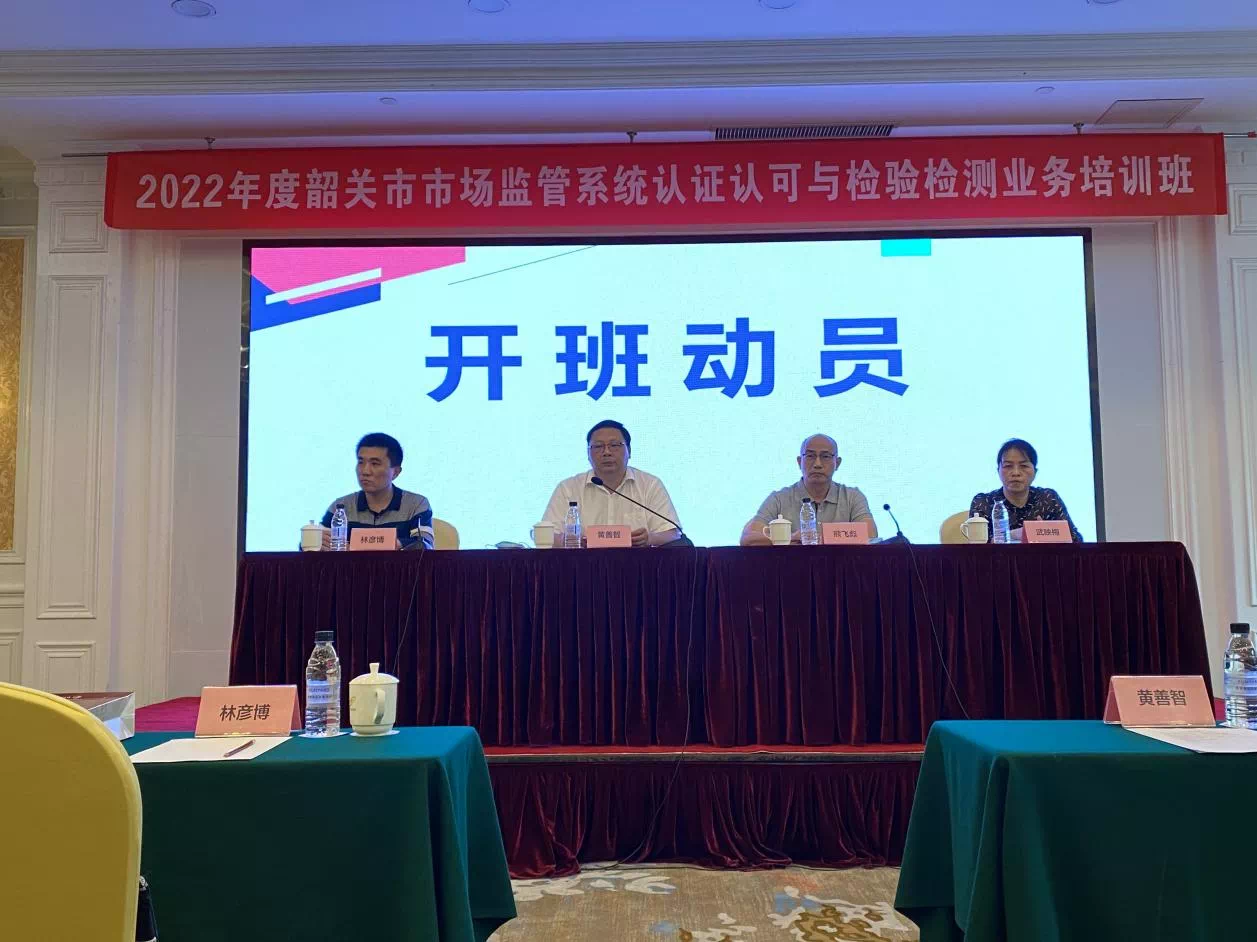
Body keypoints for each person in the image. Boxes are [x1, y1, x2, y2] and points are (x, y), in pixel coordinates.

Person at [541, 420, 682, 547]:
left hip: (639, 564)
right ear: (588, 454)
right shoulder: (568, 488)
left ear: (629, 451)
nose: (606, 452)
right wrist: (573, 541)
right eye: (598, 446)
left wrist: (649, 539)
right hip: (582, 564)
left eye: (614, 445)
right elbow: (545, 536)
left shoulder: (650, 484)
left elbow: (673, 533)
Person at [741, 434, 878, 545]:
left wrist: (827, 537)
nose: (817, 464)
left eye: (825, 456)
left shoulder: (852, 497)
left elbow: (871, 536)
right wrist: (788, 539)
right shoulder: (779, 499)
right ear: (799, 462)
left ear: (837, 463)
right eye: (810, 456)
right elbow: (748, 539)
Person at [320, 433, 434, 549]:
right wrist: (317, 542)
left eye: (375, 464)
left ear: (396, 472)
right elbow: (315, 545)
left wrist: (390, 544)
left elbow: (424, 545)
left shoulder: (416, 504)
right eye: (361, 462)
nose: (365, 471)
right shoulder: (340, 507)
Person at [969, 438, 1083, 543]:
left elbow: (1076, 540)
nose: (1016, 473)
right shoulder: (984, 502)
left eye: (1024, 466)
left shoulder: (1048, 498)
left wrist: (1047, 533)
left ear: (1035, 472)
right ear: (998, 470)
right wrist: (1011, 535)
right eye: (1008, 466)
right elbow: (975, 550)